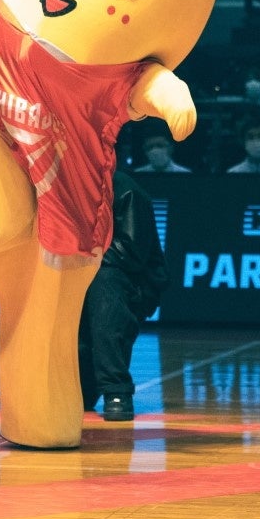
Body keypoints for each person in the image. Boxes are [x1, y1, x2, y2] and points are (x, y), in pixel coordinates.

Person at [78, 169, 167, 422]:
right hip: (83, 274)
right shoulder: (62, 188)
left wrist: (78, 255)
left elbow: (130, 253)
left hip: (131, 281)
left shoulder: (127, 190)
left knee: (105, 287)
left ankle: (117, 390)